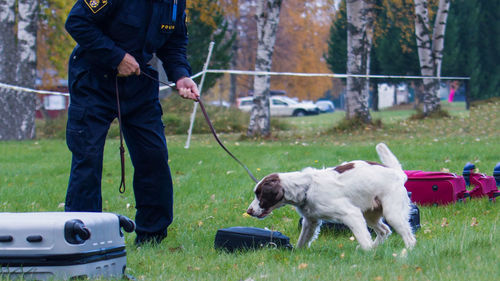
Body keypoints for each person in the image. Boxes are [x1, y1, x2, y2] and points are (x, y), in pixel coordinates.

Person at [64, 0, 199, 246]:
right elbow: (77, 22)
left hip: (139, 83)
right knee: (88, 159)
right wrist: (116, 57)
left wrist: (181, 74)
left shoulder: (176, 2)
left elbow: (175, 41)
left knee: (153, 156)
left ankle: (152, 236)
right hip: (93, 81)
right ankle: (82, 236)